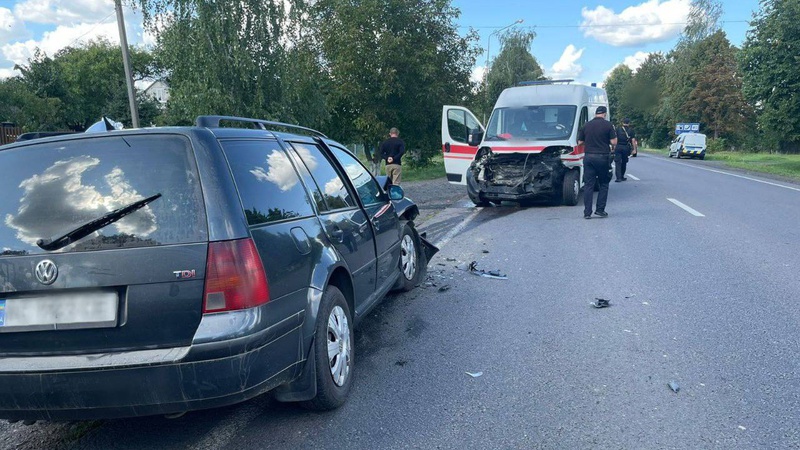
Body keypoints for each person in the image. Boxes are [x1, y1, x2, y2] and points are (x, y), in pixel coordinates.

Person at [577, 106, 617, 219]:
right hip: (602, 157)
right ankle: (600, 210)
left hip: (589, 157)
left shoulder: (586, 125)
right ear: (604, 114)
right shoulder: (608, 125)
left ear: (595, 114)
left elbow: (580, 142)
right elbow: (614, 141)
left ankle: (587, 212)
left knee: (589, 185)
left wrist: (589, 144)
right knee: (604, 183)